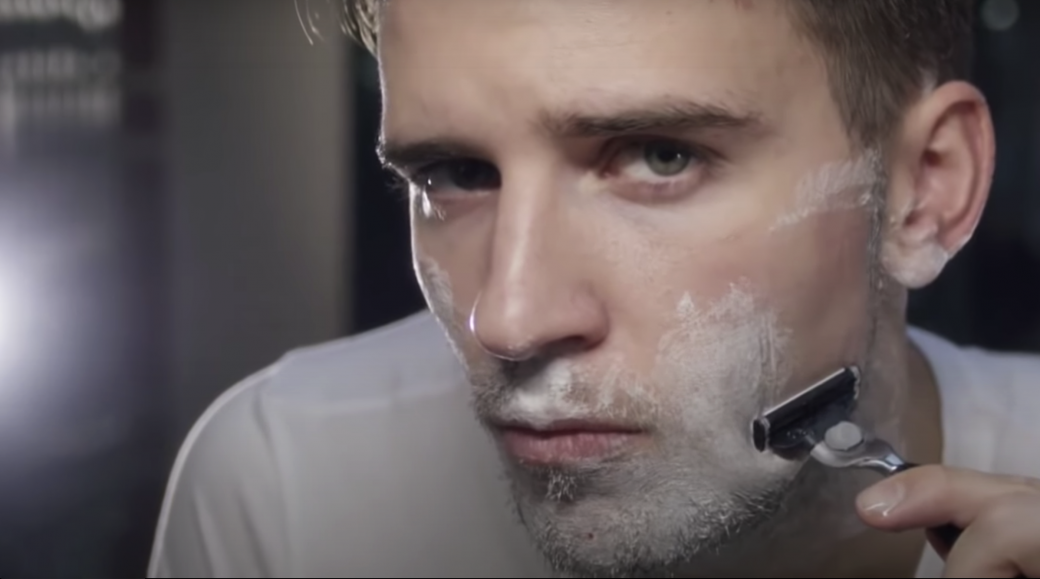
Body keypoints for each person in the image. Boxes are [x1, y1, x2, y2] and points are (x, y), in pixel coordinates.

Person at [147, 1, 1040, 577]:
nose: (509, 319)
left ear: (927, 189)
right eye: (456, 173)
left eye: (660, 156)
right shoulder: (285, 488)